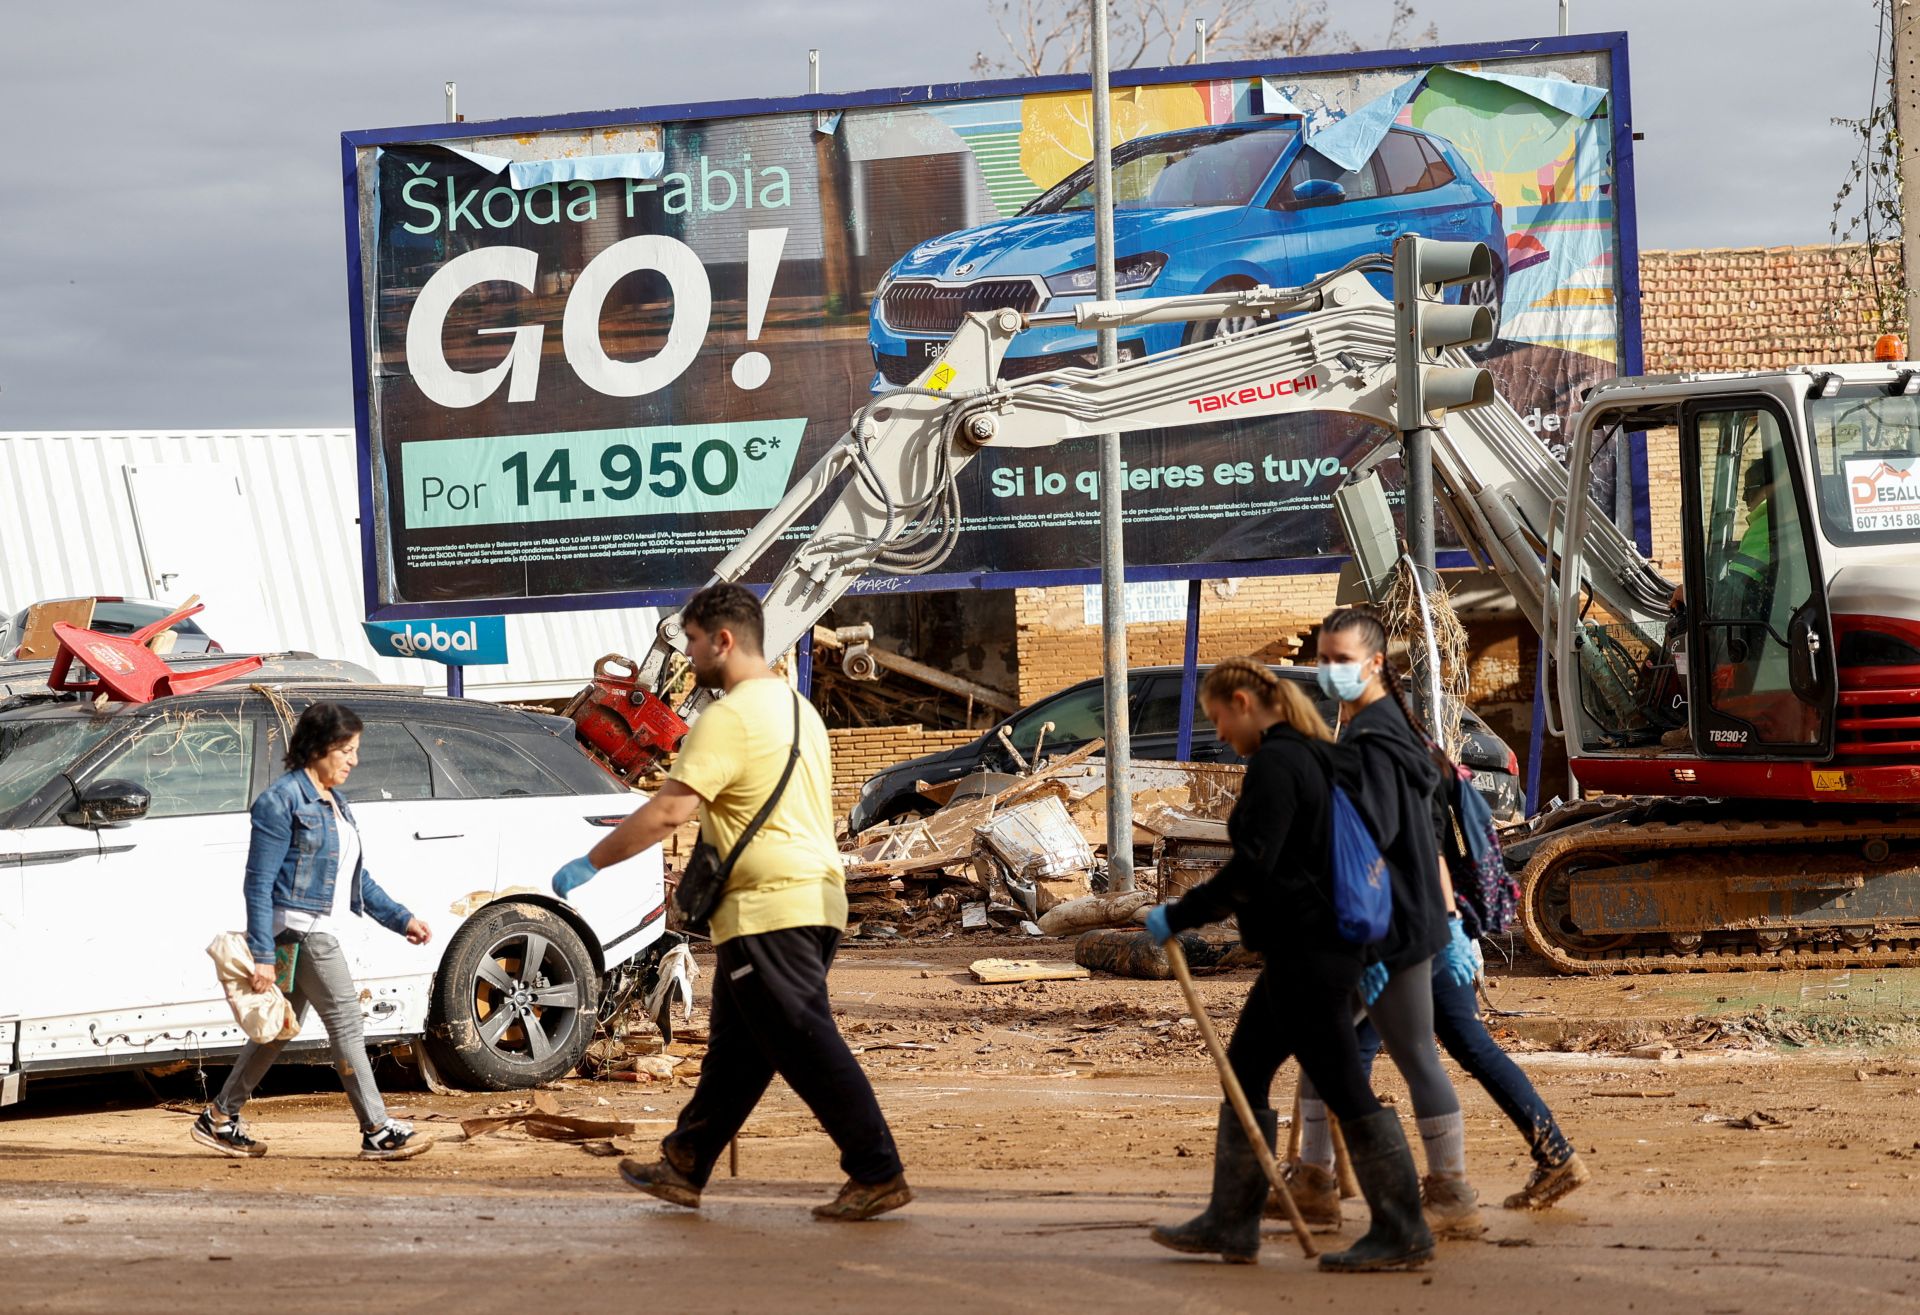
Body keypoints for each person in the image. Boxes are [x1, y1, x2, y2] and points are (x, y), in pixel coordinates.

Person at [549, 583, 910, 1222]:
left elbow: (669, 810)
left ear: (723, 639)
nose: (687, 654)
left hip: (768, 907)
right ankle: (686, 1163)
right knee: (738, 1050)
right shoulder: (801, 712)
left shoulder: (729, 717)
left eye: (691, 640)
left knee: (802, 1035)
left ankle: (877, 1170)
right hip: (816, 898)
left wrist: (591, 860)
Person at [1142, 658, 1433, 1273]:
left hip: (1312, 951)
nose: (1219, 734)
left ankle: (1403, 1230)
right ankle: (1232, 1222)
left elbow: (1254, 866)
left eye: (1218, 719)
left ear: (1244, 702)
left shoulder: (1279, 762)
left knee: (1343, 1084)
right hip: (1309, 951)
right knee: (1245, 1069)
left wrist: (1182, 913)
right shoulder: (1316, 754)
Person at [1286, 607, 1480, 1237]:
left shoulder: (1374, 740)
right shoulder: (1386, 727)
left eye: (1341, 660)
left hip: (1386, 927)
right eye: (1322, 658)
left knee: (1417, 1055)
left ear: (1374, 665)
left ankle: (1449, 1189)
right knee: (1331, 1051)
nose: (1329, 671)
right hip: (1400, 917)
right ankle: (1315, 1180)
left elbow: (1368, 834)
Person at [192, 702, 433, 1161]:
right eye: (346, 750)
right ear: (318, 748)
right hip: (300, 935)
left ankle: (220, 1117)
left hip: (311, 932)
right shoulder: (280, 801)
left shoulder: (334, 802)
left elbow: (353, 878)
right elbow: (258, 883)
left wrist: (401, 918)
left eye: (354, 750)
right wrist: (263, 953)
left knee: (281, 1028)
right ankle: (377, 1130)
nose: (353, 760)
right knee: (346, 1021)